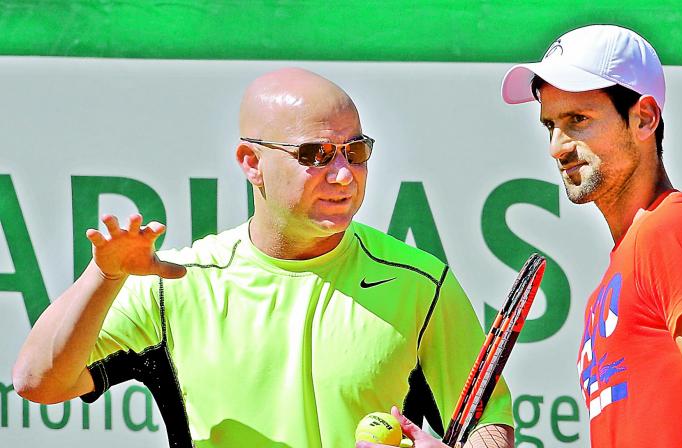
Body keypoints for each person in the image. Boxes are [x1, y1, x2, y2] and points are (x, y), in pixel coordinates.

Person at [13, 68, 514, 448]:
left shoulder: (421, 284)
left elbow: (489, 423)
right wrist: (104, 275)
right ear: (252, 163)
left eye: (355, 152)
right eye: (316, 154)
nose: (343, 175)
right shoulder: (178, 284)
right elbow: (38, 381)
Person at [501, 25, 682, 447]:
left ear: (644, 118)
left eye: (578, 119)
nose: (557, 146)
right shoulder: (615, 275)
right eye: (550, 125)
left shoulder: (678, 230)